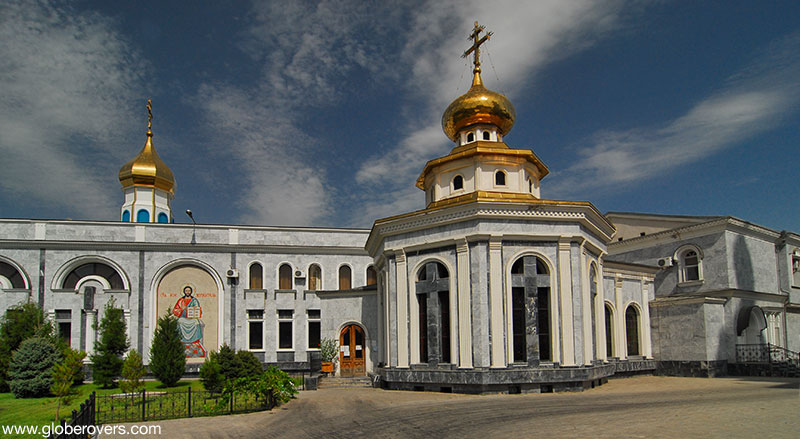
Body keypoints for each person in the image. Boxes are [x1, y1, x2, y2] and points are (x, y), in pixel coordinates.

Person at [172, 285, 205, 357]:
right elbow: (175, 310)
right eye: (186, 291)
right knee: (179, 322)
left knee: (196, 322)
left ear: (191, 292)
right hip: (183, 318)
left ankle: (195, 341)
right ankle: (181, 340)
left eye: (189, 291)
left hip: (192, 318)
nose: (188, 292)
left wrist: (195, 309)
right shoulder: (181, 301)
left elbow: (198, 309)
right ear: (184, 292)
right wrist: (181, 309)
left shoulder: (194, 300)